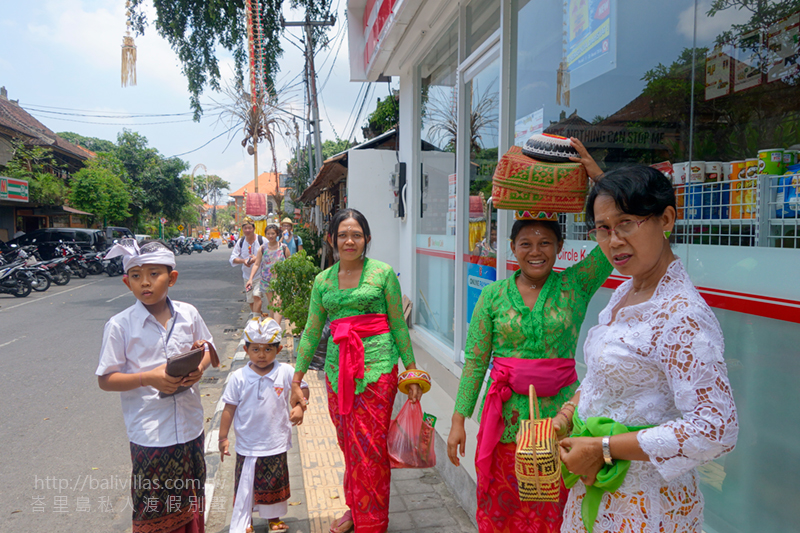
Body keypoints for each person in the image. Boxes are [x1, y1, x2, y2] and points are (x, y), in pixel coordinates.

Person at [558, 166, 738, 533]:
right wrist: (565, 415)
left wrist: (604, 447)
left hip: (645, 507)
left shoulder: (682, 315)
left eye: (626, 223)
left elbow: (716, 428)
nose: (613, 241)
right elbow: (602, 379)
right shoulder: (628, 292)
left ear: (666, 218)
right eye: (603, 229)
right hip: (599, 491)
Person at [447, 138, 608, 533]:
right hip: (506, 424)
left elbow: (611, 235)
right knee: (502, 514)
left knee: (556, 515)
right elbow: (475, 362)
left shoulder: (577, 285)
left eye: (545, 244)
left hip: (561, 424)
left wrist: (598, 179)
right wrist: (457, 420)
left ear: (560, 246)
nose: (535, 252)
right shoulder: (492, 296)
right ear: (512, 247)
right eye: (526, 244)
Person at [290, 208, 427, 533]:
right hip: (338, 376)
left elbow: (397, 323)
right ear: (332, 240)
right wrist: (296, 377)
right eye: (343, 235)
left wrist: (412, 372)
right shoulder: (323, 281)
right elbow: (311, 331)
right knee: (348, 444)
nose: (349, 240)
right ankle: (356, 505)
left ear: (366, 239)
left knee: (372, 449)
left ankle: (373, 522)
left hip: (378, 373)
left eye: (356, 234)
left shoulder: (382, 274)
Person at [96, 239, 220, 533]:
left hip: (190, 428)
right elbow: (105, 379)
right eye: (136, 276)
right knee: (154, 508)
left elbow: (207, 349)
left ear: (172, 278)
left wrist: (198, 369)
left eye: (154, 274)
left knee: (191, 499)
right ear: (127, 283)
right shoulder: (120, 325)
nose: (145, 283)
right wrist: (148, 378)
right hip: (151, 435)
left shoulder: (188, 314)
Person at [218, 317, 310, 533]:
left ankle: (273, 518)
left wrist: (300, 406)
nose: (261, 355)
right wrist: (223, 437)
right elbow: (229, 409)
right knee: (246, 483)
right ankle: (245, 519)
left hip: (275, 441)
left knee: (274, 482)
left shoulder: (286, 371)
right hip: (247, 443)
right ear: (246, 349)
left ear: (278, 350)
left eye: (268, 349)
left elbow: (302, 389)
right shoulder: (238, 377)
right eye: (256, 349)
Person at [247, 223, 289, 326]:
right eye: (268, 234)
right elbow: (256, 264)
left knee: (277, 304)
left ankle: (276, 329)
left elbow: (290, 262)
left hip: (281, 281)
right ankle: (272, 329)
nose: (271, 236)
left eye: (273, 233)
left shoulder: (283, 248)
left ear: (277, 234)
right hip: (266, 281)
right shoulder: (262, 248)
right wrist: (250, 279)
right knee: (271, 305)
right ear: (266, 235)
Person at [230, 217, 265, 317]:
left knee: (257, 295)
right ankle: (258, 315)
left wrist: (258, 258)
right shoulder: (240, 242)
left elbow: (269, 254)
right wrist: (243, 261)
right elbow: (232, 258)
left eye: (249, 228)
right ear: (242, 229)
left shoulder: (261, 240)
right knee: (250, 299)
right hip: (247, 276)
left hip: (260, 275)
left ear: (254, 228)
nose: (247, 230)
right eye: (245, 228)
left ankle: (255, 319)